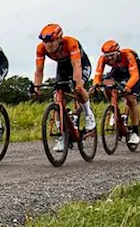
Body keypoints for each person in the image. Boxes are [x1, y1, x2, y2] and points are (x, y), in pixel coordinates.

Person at [32, 23, 95, 152]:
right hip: (63, 68)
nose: (48, 45)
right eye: (45, 41)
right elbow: (39, 70)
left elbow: (77, 65)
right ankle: (61, 135)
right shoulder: (41, 48)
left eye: (51, 41)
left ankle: (89, 115)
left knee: (78, 90)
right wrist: (36, 86)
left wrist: (78, 83)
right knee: (58, 99)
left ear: (60, 39)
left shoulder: (71, 43)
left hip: (80, 65)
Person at [94, 39, 140, 145]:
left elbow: (135, 75)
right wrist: (96, 84)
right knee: (106, 84)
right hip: (118, 70)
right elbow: (98, 74)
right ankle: (114, 109)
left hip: (133, 71)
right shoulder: (103, 59)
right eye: (107, 56)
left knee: (131, 99)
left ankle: (135, 132)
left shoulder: (128, 56)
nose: (109, 58)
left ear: (118, 53)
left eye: (112, 55)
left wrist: (128, 86)